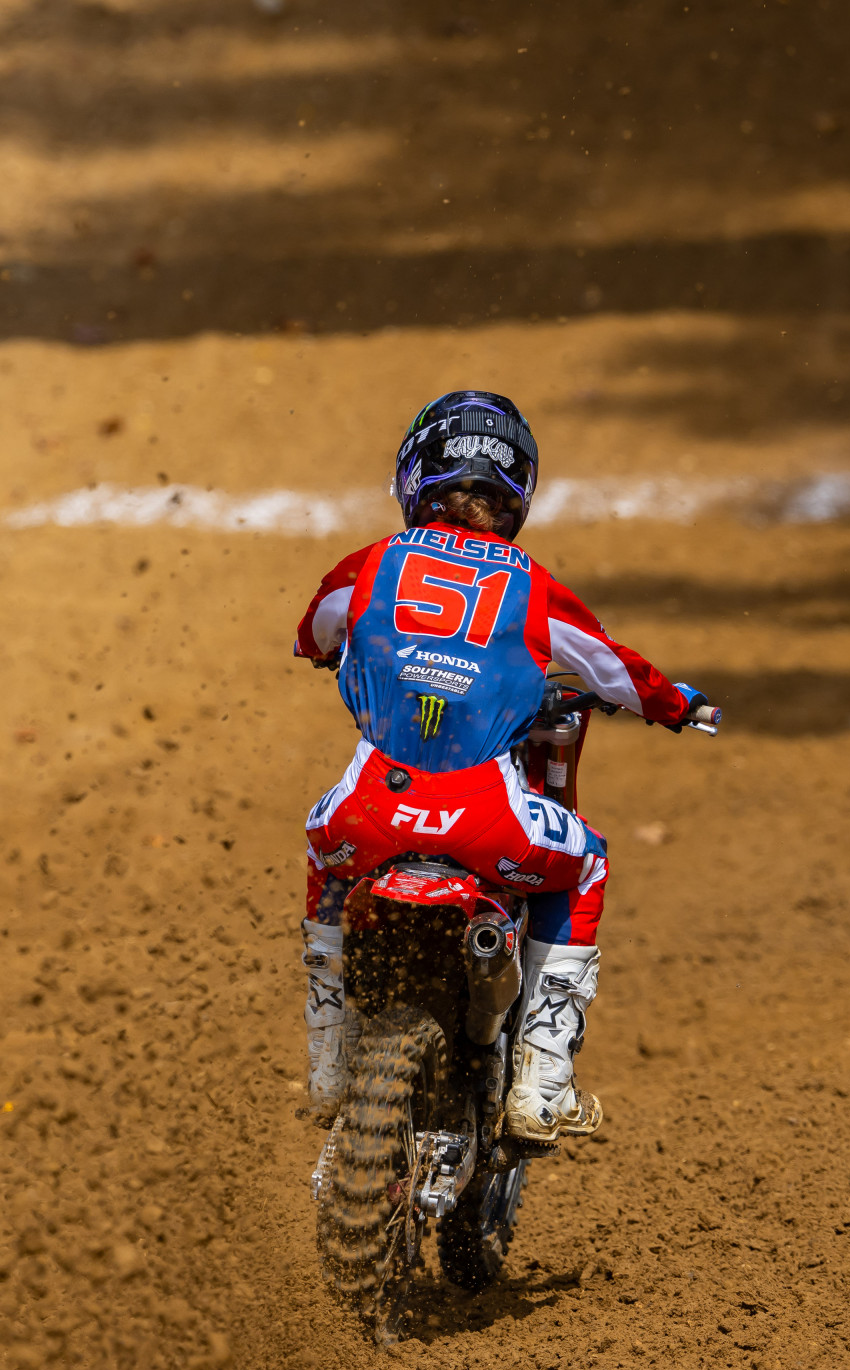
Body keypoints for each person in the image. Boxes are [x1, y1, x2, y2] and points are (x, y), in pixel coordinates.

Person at [292, 391, 719, 1144]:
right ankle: (543, 1079)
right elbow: (619, 672)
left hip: (370, 810)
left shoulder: (368, 564)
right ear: (517, 492)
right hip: (487, 817)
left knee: (323, 854)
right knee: (585, 863)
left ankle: (327, 1061)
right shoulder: (533, 586)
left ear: (412, 479)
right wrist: (680, 705)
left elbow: (315, 632)